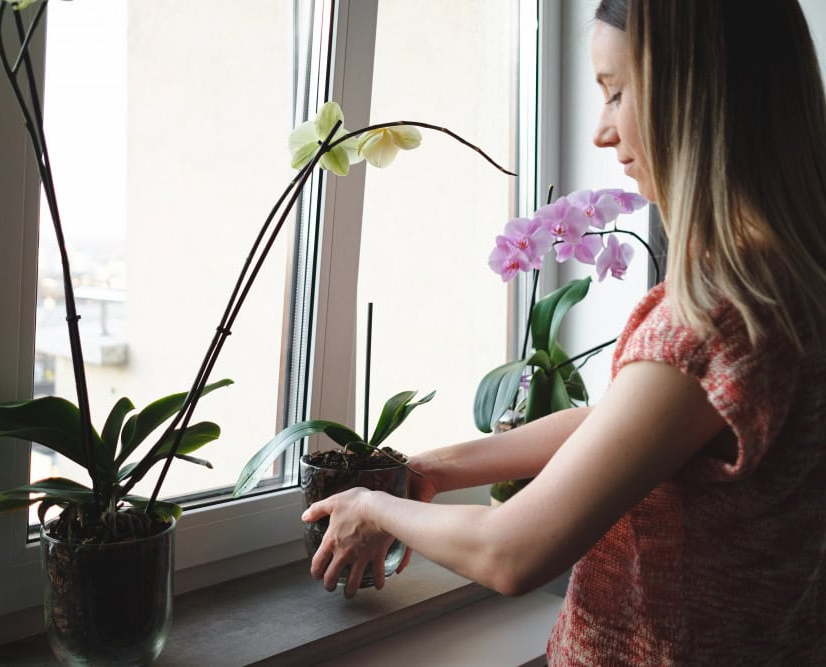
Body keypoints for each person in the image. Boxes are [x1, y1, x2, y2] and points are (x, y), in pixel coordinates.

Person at [300, 0, 826, 663]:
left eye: (615, 93)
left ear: (695, 95)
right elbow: (620, 427)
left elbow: (510, 551)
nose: (603, 132)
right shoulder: (791, 285)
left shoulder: (715, 317)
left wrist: (375, 510)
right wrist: (437, 467)